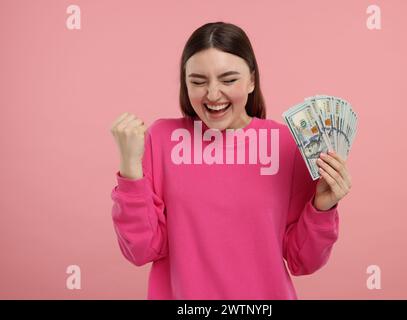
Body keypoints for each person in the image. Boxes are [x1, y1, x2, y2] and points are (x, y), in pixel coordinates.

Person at [109, 21, 352, 300]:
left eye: (228, 80)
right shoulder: (161, 139)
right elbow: (141, 250)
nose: (212, 95)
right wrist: (130, 170)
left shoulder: (286, 144)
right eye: (198, 82)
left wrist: (323, 207)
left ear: (251, 80)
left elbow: (303, 261)